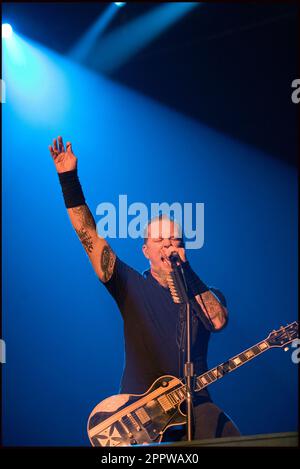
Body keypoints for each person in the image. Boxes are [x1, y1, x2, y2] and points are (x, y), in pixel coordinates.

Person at [49, 136, 240, 443]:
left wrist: (186, 271)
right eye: (160, 241)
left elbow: (217, 320)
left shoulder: (204, 293)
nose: (169, 245)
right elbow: (88, 235)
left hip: (196, 408)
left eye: (175, 240)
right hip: (141, 416)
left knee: (229, 434)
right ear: (146, 250)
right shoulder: (130, 284)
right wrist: (69, 179)